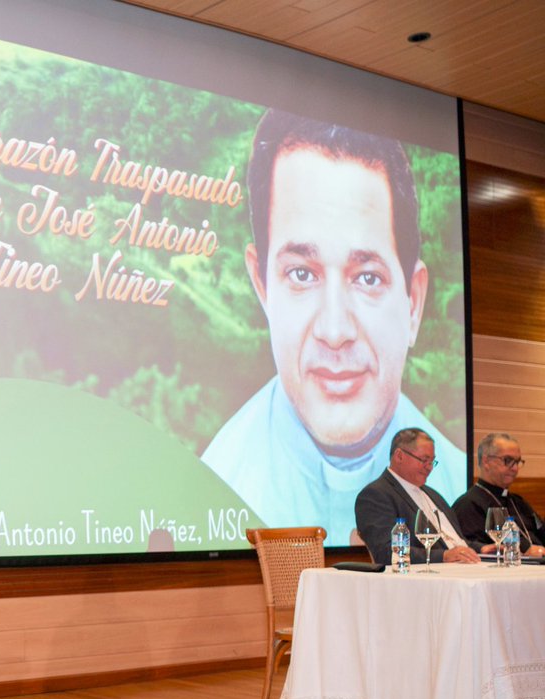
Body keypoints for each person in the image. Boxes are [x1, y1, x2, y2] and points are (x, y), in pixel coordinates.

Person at [201, 108, 465, 547]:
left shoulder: (455, 489)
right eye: (302, 274)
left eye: (367, 278)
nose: (335, 330)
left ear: (413, 303)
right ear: (262, 287)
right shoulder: (218, 486)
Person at [355, 428, 480, 565]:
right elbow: (386, 552)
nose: (429, 467)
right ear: (399, 456)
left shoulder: (433, 495)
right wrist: (444, 556)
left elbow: (452, 540)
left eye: (432, 461)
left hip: (465, 565)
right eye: (424, 460)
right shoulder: (375, 495)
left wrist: (484, 549)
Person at [451, 432, 545, 557]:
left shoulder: (517, 501)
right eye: (508, 460)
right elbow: (470, 547)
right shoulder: (468, 504)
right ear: (486, 462)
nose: (515, 468)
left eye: (517, 462)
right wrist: (523, 552)